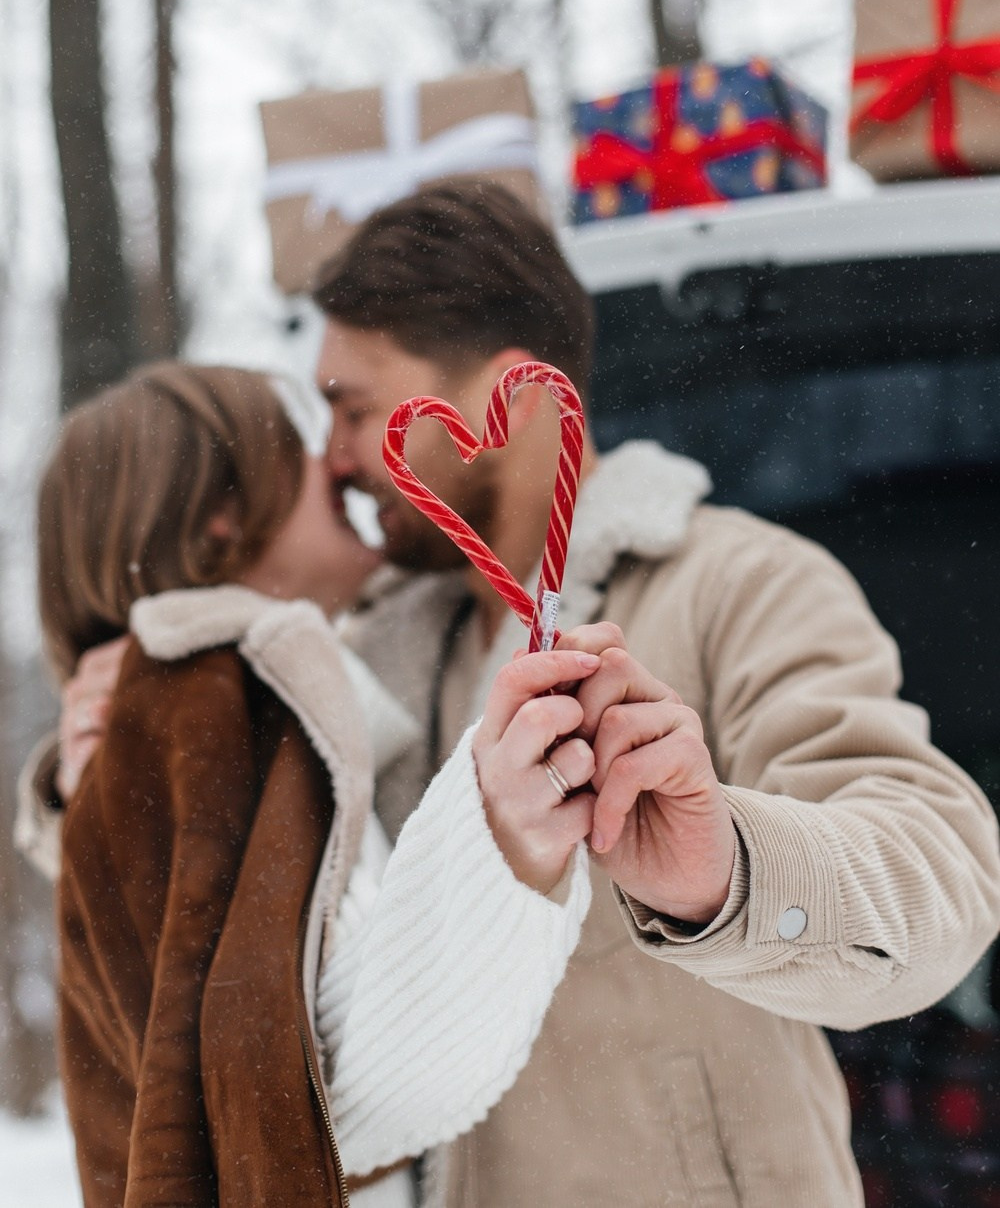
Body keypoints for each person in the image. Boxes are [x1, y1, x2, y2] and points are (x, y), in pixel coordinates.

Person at [22, 186, 1000, 1206]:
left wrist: (731, 874)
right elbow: (249, 883)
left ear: (509, 399)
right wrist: (94, 778)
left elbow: (940, 881)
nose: (341, 457)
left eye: (356, 408)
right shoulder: (382, 647)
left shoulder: (738, 582)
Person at [26, 360, 643, 1208]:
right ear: (219, 522)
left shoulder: (190, 712)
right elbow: (314, 1085)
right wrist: (506, 843)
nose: (340, 461)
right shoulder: (213, 712)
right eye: (301, 446)